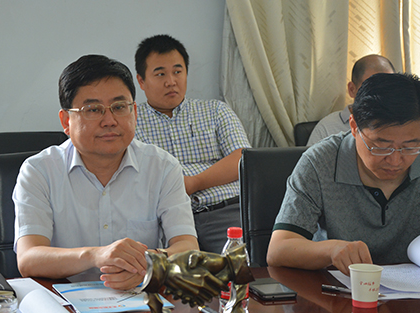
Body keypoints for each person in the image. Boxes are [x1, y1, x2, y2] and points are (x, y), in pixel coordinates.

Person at [14, 54, 199, 290]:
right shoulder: (39, 171)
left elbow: (188, 247)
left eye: (119, 107)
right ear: (66, 121)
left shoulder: (162, 167)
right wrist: (95, 256)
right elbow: (28, 258)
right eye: (93, 109)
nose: (109, 120)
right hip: (63, 302)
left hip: (140, 300)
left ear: (134, 112)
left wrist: (149, 264)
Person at [267, 73, 420, 275]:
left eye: (411, 146)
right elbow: (278, 250)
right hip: (342, 294)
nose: (395, 160)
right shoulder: (321, 162)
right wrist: (331, 250)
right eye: (381, 146)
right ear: (354, 126)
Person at [134, 34, 252, 254]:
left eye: (177, 72)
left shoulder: (215, 111)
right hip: (165, 220)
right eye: (160, 74)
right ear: (141, 81)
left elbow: (243, 159)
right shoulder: (130, 121)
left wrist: (194, 183)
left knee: (244, 265)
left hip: (225, 212)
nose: (171, 81)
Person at [306, 54, 395, 146]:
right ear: (352, 89)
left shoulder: (401, 125)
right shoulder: (327, 128)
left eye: (388, 88)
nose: (381, 95)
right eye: (372, 88)